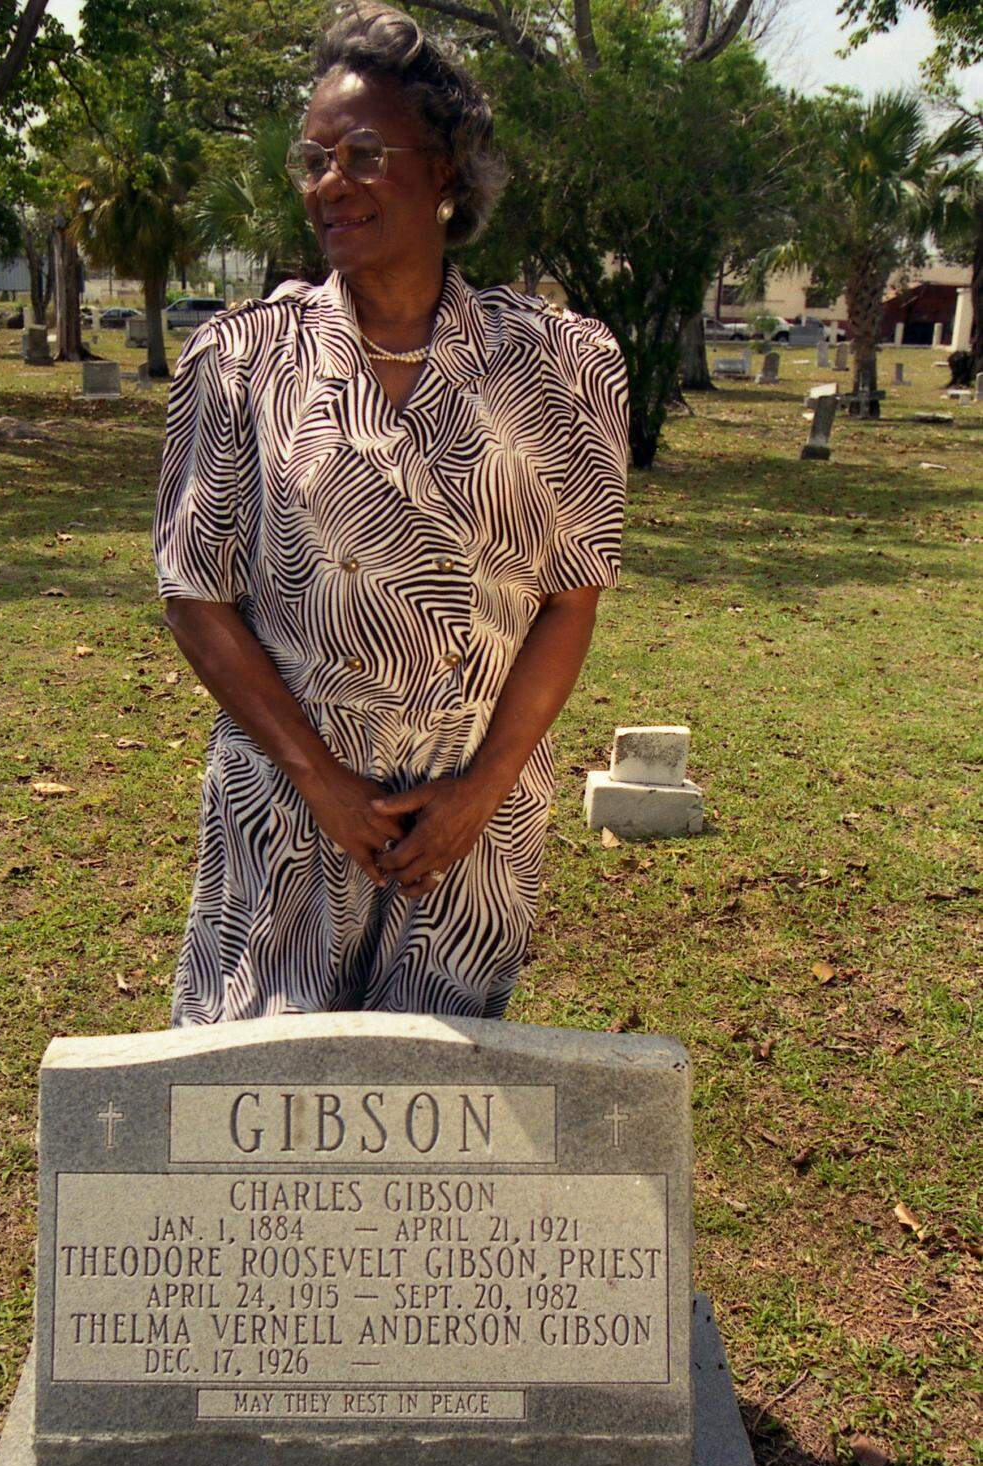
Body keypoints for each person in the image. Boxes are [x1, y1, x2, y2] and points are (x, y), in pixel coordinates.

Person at [155, 1, 628, 1025]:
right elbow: (195, 596)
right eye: (313, 159)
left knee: (435, 1091)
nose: (330, 181)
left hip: (468, 834)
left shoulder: (564, 366)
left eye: (363, 153)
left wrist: (478, 793)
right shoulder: (241, 359)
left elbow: (571, 598)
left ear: (445, 171)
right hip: (286, 815)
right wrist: (323, 783)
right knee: (256, 1088)